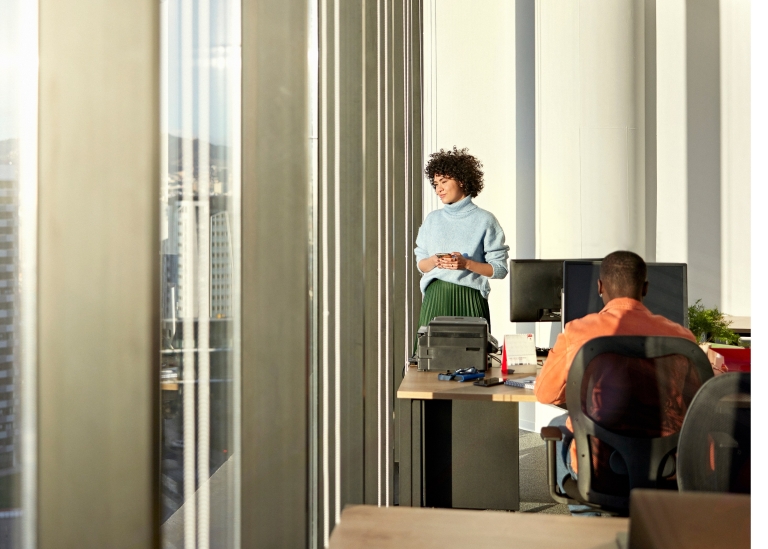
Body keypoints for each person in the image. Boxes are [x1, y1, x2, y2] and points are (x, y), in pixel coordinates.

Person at [534, 250, 698, 513]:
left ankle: (589, 520)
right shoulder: (682, 338)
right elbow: (699, 406)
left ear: (599, 287)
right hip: (664, 467)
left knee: (559, 425)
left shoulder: (577, 332)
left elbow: (545, 394)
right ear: (645, 288)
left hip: (602, 467)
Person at [413, 147, 509, 344]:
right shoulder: (432, 220)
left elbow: (499, 270)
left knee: (473, 364)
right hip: (435, 299)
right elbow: (421, 265)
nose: (438, 188)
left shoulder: (485, 220)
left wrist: (466, 264)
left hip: (470, 299)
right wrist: (433, 260)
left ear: (462, 180)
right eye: (435, 183)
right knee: (430, 364)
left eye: (444, 181)